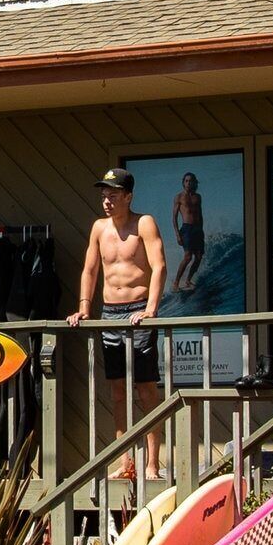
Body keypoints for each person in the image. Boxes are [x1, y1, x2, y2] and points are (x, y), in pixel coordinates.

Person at [66, 166, 169, 474]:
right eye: (104, 196)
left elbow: (159, 266)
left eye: (113, 195)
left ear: (128, 196)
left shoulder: (144, 223)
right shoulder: (99, 228)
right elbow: (90, 270)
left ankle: (152, 463)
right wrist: (84, 307)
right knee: (117, 392)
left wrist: (151, 309)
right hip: (110, 314)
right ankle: (126, 462)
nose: (107, 201)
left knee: (146, 390)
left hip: (138, 311)